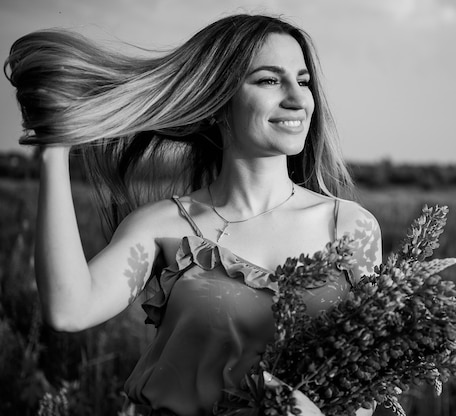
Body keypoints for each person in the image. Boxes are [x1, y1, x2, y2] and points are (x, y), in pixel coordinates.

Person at [5, 14, 382, 416]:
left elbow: (368, 384)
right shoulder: (163, 227)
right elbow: (68, 309)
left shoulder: (350, 227)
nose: (297, 97)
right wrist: (54, 149)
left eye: (303, 81)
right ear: (218, 103)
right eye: (269, 80)